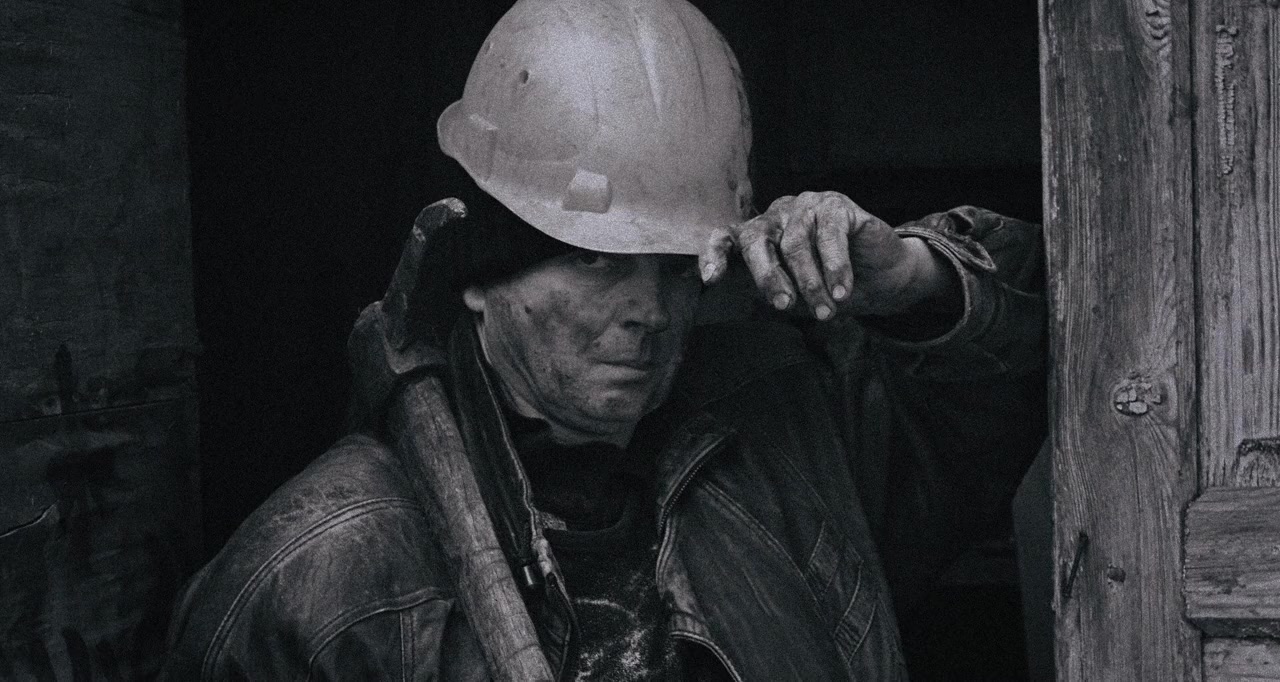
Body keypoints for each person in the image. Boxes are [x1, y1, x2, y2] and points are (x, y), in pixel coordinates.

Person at [162, 0, 1046, 678]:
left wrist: (913, 282)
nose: (649, 311)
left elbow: (1057, 357)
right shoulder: (315, 583)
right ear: (479, 275)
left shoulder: (791, 438)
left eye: (676, 268)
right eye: (594, 261)